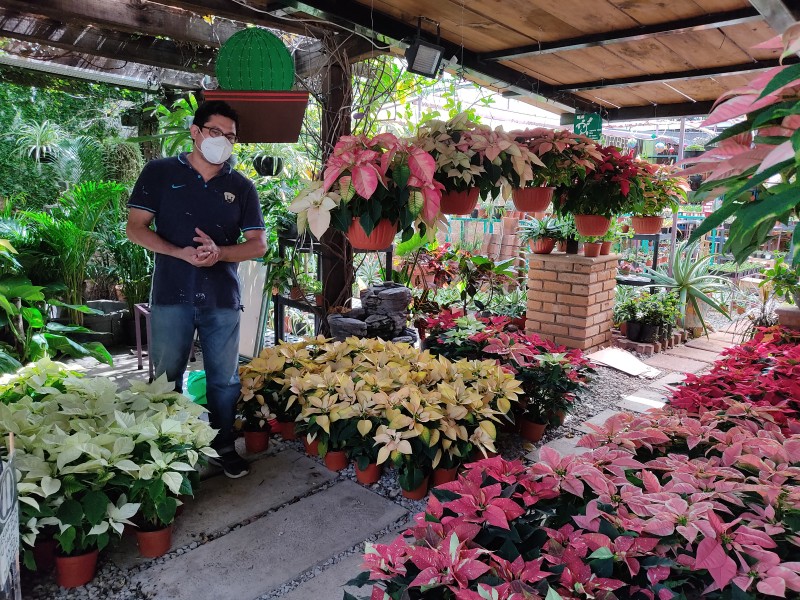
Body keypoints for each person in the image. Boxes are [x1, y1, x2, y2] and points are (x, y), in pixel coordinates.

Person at [126, 100, 267, 478]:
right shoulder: (159, 173)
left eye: (231, 136)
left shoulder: (241, 187)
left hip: (222, 298)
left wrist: (219, 252)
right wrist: (179, 253)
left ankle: (223, 446)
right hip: (172, 294)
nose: (223, 141)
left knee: (224, 380)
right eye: (216, 132)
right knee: (165, 378)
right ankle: (167, 452)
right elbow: (135, 227)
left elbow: (258, 244)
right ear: (195, 131)